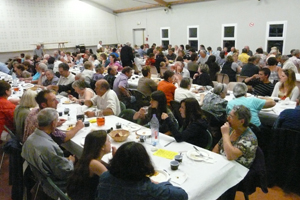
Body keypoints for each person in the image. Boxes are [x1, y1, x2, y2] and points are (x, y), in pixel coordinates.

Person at [96, 142, 188, 200]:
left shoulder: (105, 177)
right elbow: (182, 195)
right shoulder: (147, 188)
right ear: (143, 165)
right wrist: (162, 184)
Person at [21, 108, 75, 197]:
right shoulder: (48, 147)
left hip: (43, 179)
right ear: (53, 123)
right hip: (58, 184)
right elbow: (65, 172)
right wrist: (71, 161)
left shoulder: (30, 139)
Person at [67, 130, 115, 200]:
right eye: (108, 141)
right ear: (102, 147)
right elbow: (112, 181)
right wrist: (116, 160)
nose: (110, 143)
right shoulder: (94, 163)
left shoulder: (88, 157)